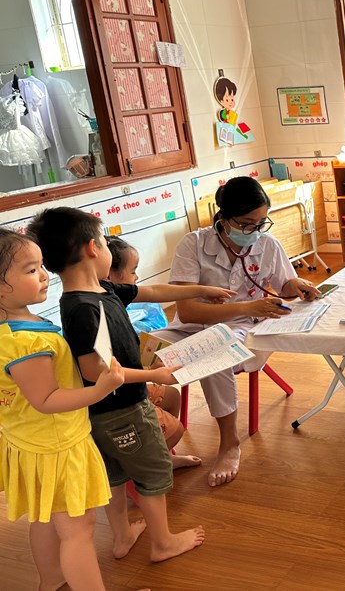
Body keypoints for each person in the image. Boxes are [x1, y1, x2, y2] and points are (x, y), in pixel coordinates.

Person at [28, 208, 234, 562]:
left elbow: (151, 290)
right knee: (153, 472)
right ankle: (163, 543)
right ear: (93, 248)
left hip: (109, 411)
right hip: (123, 410)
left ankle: (122, 536)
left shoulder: (101, 289)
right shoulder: (82, 308)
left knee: (116, 474)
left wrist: (203, 289)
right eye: (105, 240)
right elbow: (95, 371)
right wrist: (153, 376)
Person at [152, 176, 319, 487]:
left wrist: (294, 285)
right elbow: (187, 312)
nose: (254, 231)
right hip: (188, 328)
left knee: (214, 355)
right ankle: (157, 444)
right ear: (223, 217)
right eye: (245, 224)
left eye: (260, 223)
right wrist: (248, 306)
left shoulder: (267, 244)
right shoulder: (194, 244)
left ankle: (230, 443)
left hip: (239, 330)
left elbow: (283, 284)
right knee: (141, 355)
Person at [0, 229, 124, 590]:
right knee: (79, 530)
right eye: (30, 270)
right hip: (57, 445)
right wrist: (100, 389)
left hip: (31, 441)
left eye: (41, 266)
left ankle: (51, 580)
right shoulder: (27, 342)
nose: (44, 275)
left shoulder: (15, 328)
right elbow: (47, 400)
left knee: (45, 517)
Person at [106, 235, 201, 470]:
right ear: (110, 276)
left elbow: (156, 291)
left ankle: (163, 456)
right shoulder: (99, 314)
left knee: (172, 397)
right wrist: (151, 372)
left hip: (132, 387)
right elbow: (108, 372)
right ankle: (147, 464)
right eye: (133, 271)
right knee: (176, 430)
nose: (136, 278)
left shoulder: (114, 296)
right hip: (119, 401)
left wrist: (202, 290)